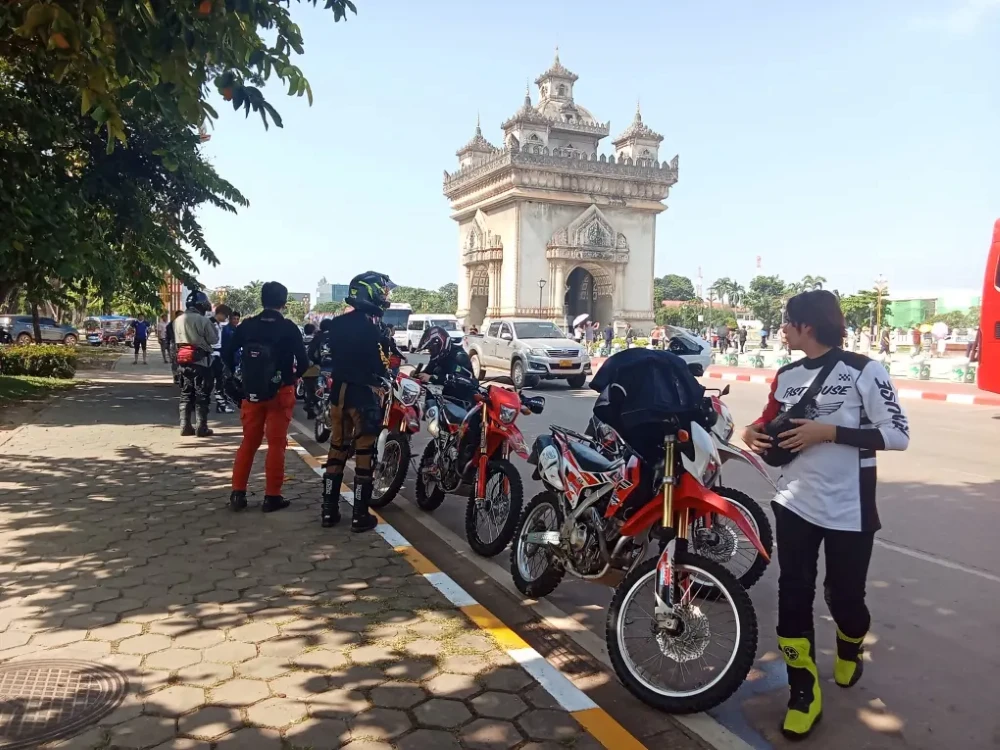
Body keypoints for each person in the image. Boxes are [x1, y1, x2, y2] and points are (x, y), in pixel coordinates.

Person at [741, 290, 909, 740]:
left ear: (807, 326)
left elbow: (897, 435)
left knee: (845, 598)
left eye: (787, 322)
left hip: (850, 508)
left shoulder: (864, 370)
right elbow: (767, 421)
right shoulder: (786, 374)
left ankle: (851, 643)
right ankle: (803, 689)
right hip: (794, 501)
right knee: (793, 593)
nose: (783, 329)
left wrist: (828, 432)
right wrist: (750, 432)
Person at [319, 272, 395, 532]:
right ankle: (359, 516)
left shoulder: (336, 324)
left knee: (337, 449)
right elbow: (382, 366)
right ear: (370, 293)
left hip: (338, 393)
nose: (385, 297)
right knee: (364, 454)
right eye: (382, 292)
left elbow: (322, 355)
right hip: (362, 395)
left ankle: (328, 512)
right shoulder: (372, 329)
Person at [225, 282, 309, 513]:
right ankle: (272, 497)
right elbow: (303, 363)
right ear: (284, 302)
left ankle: (237, 494)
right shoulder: (289, 328)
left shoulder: (247, 326)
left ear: (262, 300)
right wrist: (291, 379)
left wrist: (237, 378)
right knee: (276, 444)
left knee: (249, 442)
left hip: (251, 393)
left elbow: (226, 352)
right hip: (280, 393)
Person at [415, 324, 480, 474]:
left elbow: (468, 380)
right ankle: (441, 452)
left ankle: (466, 463)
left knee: (471, 432)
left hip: (462, 402)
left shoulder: (459, 356)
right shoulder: (437, 357)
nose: (431, 352)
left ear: (440, 344)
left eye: (432, 349)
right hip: (445, 401)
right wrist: (418, 375)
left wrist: (434, 377)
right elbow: (428, 371)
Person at [174, 291, 219, 437]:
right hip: (201, 362)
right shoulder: (203, 320)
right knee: (202, 394)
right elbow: (213, 340)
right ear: (201, 305)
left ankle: (184, 426)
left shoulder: (178, 320)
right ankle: (202, 427)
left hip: (183, 361)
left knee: (186, 394)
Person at [208, 304, 233, 413]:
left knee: (219, 382)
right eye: (225, 316)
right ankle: (218, 405)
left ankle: (220, 405)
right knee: (213, 382)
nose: (226, 319)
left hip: (217, 355)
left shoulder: (217, 324)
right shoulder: (211, 323)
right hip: (212, 355)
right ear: (220, 314)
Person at [165, 310, 183, 384]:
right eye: (180, 315)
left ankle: (181, 376)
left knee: (183, 361)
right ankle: (175, 375)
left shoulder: (185, 324)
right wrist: (167, 344)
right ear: (176, 316)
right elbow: (168, 336)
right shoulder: (170, 325)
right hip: (174, 344)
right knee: (175, 361)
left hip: (183, 344)